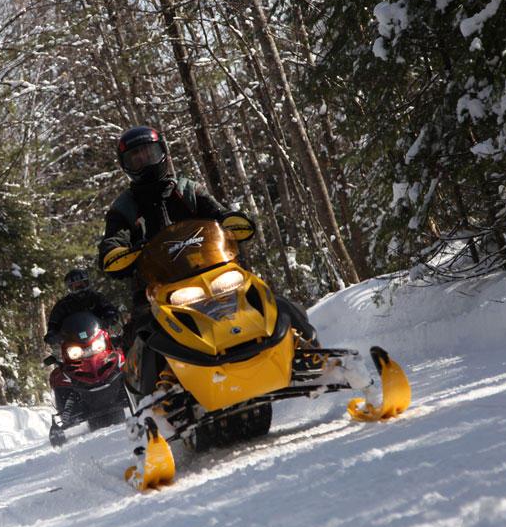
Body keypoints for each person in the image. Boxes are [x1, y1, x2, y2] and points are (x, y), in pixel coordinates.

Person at [96, 126, 316, 378]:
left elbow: (216, 212)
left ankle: (309, 348)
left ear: (163, 153)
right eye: (136, 157)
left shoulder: (188, 190)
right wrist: (115, 253)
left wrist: (230, 221)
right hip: (157, 288)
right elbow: (113, 240)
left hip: (212, 272)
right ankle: (157, 393)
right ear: (127, 165)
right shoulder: (123, 208)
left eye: (149, 153)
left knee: (265, 298)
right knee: (144, 332)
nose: (144, 161)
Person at [43, 269, 120, 346]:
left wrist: (110, 317)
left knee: (117, 347)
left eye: (82, 283)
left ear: (87, 283)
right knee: (57, 356)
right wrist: (52, 334)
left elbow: (108, 308)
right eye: (75, 285)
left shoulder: (96, 297)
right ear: (70, 287)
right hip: (73, 342)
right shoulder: (63, 304)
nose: (79, 287)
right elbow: (54, 322)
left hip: (98, 336)